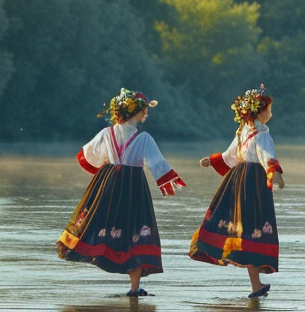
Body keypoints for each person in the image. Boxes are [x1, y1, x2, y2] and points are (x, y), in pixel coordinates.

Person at [58, 89, 186, 296]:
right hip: (133, 185)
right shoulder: (143, 138)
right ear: (135, 112)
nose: (146, 114)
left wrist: (107, 163)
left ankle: (98, 253)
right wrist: (168, 181)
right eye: (144, 111)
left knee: (101, 222)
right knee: (134, 228)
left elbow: (88, 154)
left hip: (108, 183)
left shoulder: (106, 133)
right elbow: (157, 163)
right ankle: (134, 288)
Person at [188, 85, 284, 298]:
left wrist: (213, 160)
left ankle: (256, 285)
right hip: (253, 183)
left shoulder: (244, 132)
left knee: (246, 229)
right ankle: (256, 284)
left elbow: (230, 156)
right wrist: (273, 172)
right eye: (269, 109)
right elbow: (264, 154)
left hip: (238, 180)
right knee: (252, 229)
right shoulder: (259, 134)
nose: (271, 114)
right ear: (259, 111)